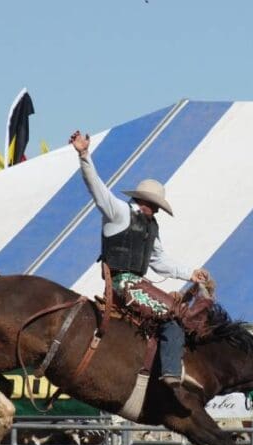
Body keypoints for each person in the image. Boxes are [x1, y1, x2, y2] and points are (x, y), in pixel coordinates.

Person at [69, 130, 211, 391]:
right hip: (125, 285)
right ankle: (170, 372)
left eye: (157, 207)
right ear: (142, 200)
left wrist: (189, 273)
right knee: (174, 315)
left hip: (139, 284)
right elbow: (97, 189)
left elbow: (159, 261)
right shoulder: (119, 213)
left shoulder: (150, 225)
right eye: (154, 205)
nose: (155, 210)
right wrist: (84, 155)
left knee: (173, 314)